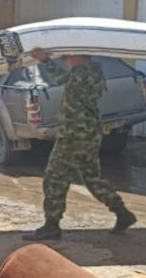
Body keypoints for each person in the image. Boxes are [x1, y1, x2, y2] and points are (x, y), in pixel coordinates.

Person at [22, 49, 137, 241]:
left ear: (80, 56)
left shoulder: (82, 73)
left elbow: (61, 79)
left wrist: (44, 60)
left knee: (55, 178)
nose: (66, 60)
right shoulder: (94, 71)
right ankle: (122, 213)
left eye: (68, 56)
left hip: (74, 134)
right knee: (92, 179)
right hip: (88, 133)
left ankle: (51, 226)